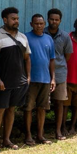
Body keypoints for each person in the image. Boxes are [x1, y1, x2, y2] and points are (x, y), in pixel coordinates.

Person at [0, 7, 31, 151]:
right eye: (13, 19)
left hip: (19, 82)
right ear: (5, 20)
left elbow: (27, 58)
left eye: (17, 19)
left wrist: (28, 76)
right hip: (3, 82)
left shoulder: (23, 37)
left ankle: (7, 139)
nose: (16, 21)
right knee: (0, 110)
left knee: (11, 110)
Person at [24, 14, 55, 145]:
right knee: (28, 108)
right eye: (36, 23)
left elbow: (52, 60)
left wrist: (53, 78)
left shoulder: (48, 39)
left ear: (44, 24)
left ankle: (40, 135)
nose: (39, 26)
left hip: (45, 79)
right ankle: (28, 135)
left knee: (42, 108)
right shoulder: (25, 37)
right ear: (31, 24)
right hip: (31, 79)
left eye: (41, 23)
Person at [46, 9, 72, 140]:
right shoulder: (42, 33)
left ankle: (58, 131)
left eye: (56, 20)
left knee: (59, 103)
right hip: (43, 75)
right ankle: (40, 132)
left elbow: (67, 55)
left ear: (60, 21)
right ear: (47, 19)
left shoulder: (65, 36)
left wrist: (58, 66)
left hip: (60, 74)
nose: (54, 22)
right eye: (51, 19)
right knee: (42, 104)